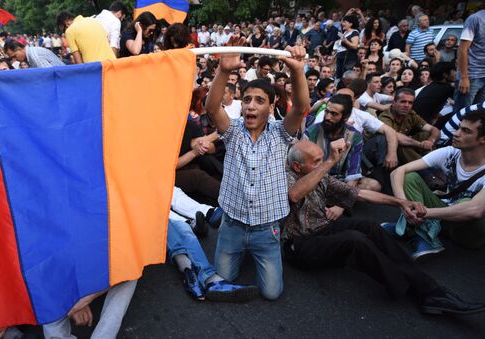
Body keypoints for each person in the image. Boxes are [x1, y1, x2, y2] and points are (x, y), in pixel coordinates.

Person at [283, 140, 485, 316]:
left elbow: (359, 194)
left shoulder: (319, 175)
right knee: (355, 240)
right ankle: (412, 289)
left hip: (323, 228)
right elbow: (294, 194)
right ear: (296, 166)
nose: (321, 165)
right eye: (315, 162)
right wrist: (328, 162)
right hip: (299, 245)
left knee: (369, 226)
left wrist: (399, 203)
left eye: (321, 160)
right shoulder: (284, 177)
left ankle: (430, 290)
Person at [204, 46, 309, 300]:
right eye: (247, 99)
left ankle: (259, 251)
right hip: (233, 226)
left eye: (260, 101)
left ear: (272, 107)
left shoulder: (281, 133)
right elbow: (211, 107)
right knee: (223, 280)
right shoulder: (233, 130)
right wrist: (224, 70)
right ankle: (224, 225)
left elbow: (301, 108)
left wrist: (297, 72)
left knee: (272, 293)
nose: (251, 106)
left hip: (266, 229)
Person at [390, 108, 485, 255]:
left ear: (483, 139)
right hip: (443, 216)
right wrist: (405, 207)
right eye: (459, 127)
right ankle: (420, 230)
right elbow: (398, 172)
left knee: (465, 202)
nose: (456, 133)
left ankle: (417, 230)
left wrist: (425, 213)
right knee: (410, 177)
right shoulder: (450, 152)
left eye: (466, 131)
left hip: (467, 232)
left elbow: (475, 210)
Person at [304, 94, 381, 192]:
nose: (327, 117)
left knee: (374, 185)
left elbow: (353, 173)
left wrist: (340, 205)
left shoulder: (354, 136)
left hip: (340, 180)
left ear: (346, 117)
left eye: (334, 114)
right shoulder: (311, 132)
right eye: (326, 112)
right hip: (315, 179)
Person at [379, 88, 440, 165]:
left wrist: (430, 141)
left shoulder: (411, 114)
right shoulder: (385, 117)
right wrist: (421, 144)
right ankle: (425, 167)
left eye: (410, 103)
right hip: (385, 151)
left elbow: (434, 129)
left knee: (426, 134)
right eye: (403, 102)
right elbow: (396, 137)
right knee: (400, 145)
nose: (406, 105)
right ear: (393, 103)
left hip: (409, 145)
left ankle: (434, 161)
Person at [455, 9, 485, 113]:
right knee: (461, 115)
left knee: (478, 117)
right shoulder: (475, 19)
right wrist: (464, 77)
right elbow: (462, 49)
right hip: (471, 76)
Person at [334, 15, 360, 79]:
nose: (343, 24)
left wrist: (346, 41)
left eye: (345, 22)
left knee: (346, 77)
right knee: (339, 76)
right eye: (343, 22)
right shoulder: (345, 32)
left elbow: (355, 46)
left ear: (350, 24)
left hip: (348, 59)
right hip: (340, 57)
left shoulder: (354, 32)